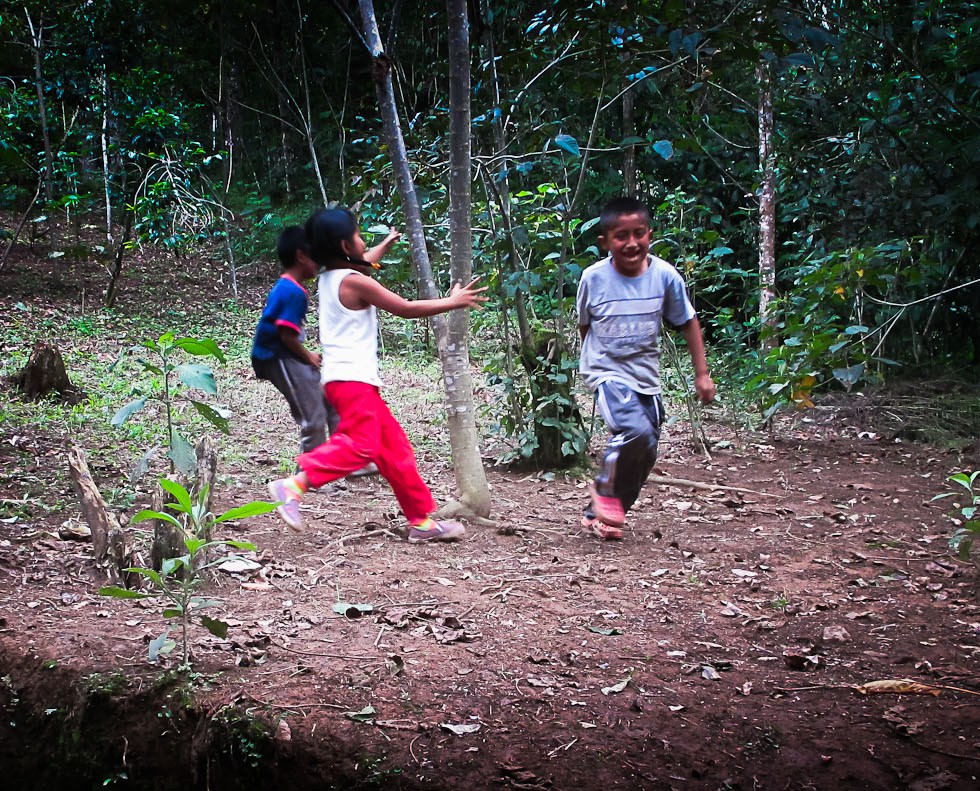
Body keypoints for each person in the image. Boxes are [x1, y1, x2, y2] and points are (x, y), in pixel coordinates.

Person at [267, 206, 487, 542]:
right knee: (360, 447)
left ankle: (420, 522)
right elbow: (405, 308)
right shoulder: (355, 282)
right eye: (357, 235)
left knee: (394, 449)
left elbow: (365, 258)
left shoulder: (332, 277)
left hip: (348, 380)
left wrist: (386, 243)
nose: (363, 241)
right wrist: (452, 301)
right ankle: (295, 483)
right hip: (352, 381)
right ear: (344, 246)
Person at [576, 196, 715, 540]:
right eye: (621, 236)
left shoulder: (665, 276)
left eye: (639, 233)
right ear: (605, 242)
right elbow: (584, 325)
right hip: (605, 370)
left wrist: (702, 373)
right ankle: (604, 491)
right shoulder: (593, 278)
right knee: (633, 432)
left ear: (650, 235)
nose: (632, 243)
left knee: (647, 447)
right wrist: (593, 364)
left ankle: (604, 514)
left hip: (645, 375)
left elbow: (688, 322)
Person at [251, 224, 400, 471]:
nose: (321, 264)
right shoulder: (291, 291)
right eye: (316, 257)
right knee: (313, 415)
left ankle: (350, 460)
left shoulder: (300, 284)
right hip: (277, 357)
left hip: (290, 355)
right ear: (301, 255)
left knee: (331, 400)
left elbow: (359, 264)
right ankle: (311, 471)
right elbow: (286, 334)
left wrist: (386, 243)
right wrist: (308, 356)